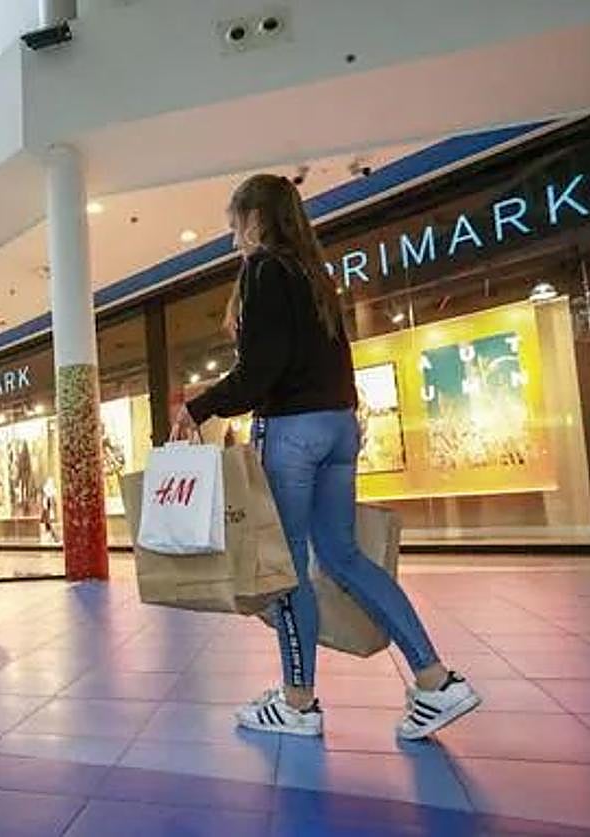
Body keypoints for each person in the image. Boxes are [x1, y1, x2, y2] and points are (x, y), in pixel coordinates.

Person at [170, 174, 481, 740]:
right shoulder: (315, 274)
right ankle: (436, 680)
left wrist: (200, 406)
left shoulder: (263, 269)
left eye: (235, 224)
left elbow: (260, 371)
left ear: (255, 218)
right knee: (343, 555)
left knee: (286, 568)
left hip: (292, 433)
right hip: (338, 426)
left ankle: (298, 703)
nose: (233, 236)